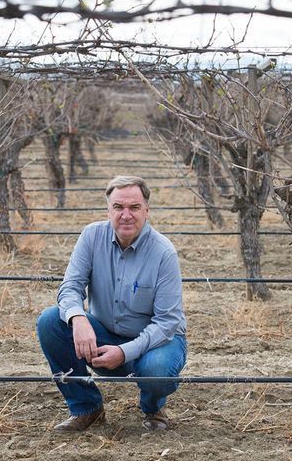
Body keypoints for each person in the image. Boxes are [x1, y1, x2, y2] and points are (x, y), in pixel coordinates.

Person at [36, 175, 188, 432]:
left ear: (147, 211)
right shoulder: (91, 237)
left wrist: (125, 352)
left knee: (156, 369)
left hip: (156, 342)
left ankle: (153, 408)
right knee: (50, 321)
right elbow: (70, 287)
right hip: (105, 333)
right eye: (118, 207)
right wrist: (78, 318)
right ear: (108, 210)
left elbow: (167, 323)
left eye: (134, 207)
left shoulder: (164, 253)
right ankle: (87, 408)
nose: (126, 215)